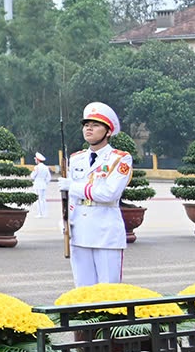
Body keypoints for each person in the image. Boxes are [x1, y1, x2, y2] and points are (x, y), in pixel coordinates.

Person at [66, 102, 133, 287]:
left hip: (106, 230)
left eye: (95, 125)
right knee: (82, 289)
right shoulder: (76, 158)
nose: (89, 128)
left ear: (108, 131)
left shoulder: (119, 159)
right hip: (79, 228)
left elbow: (109, 193)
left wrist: (74, 187)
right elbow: (71, 199)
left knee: (108, 291)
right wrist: (66, 218)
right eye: (86, 125)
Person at [31, 152, 53, 218]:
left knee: (39, 200)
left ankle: (40, 214)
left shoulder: (37, 167)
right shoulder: (46, 167)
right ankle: (44, 213)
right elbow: (49, 177)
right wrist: (45, 182)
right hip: (43, 184)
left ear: (37, 160)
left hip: (38, 185)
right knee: (43, 199)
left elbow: (33, 176)